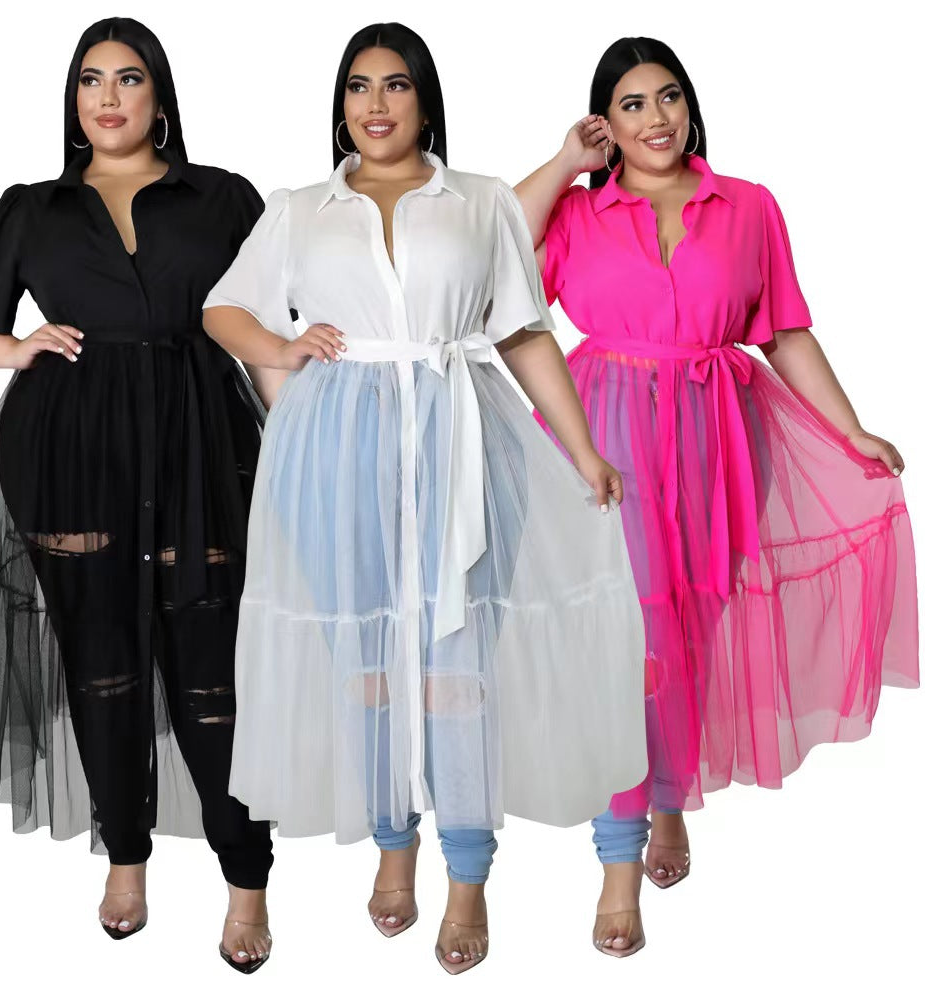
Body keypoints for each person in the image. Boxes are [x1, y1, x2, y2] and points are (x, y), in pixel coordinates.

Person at [203, 21, 649, 975]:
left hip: (461, 441)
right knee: (365, 658)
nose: (376, 104)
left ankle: (468, 873)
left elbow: (523, 331)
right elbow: (224, 307)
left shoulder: (480, 200)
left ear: (425, 101)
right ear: (340, 107)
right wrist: (282, 348)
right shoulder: (300, 208)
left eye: (396, 85)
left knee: (459, 661)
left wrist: (582, 451)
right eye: (359, 87)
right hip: (336, 453)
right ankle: (392, 840)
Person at [514, 35, 919, 957]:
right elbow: (494, 246)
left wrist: (851, 430)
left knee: (691, 629)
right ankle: (619, 863)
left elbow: (786, 332)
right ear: (605, 123)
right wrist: (565, 162)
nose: (656, 118)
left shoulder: (749, 206)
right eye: (632, 104)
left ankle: (670, 796)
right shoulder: (576, 212)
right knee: (626, 641)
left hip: (717, 436)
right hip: (604, 437)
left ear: (690, 108)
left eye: (669, 97)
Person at [0, 17, 275, 973]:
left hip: (203, 447)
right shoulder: (32, 207)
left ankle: (246, 877)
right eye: (90, 80)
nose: (108, 97)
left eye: (128, 78)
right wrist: (16, 348)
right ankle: (126, 857)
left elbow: (268, 322)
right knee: (101, 664)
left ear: (161, 97)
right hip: (71, 451)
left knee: (216, 671)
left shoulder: (224, 197)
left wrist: (295, 438)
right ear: (73, 100)